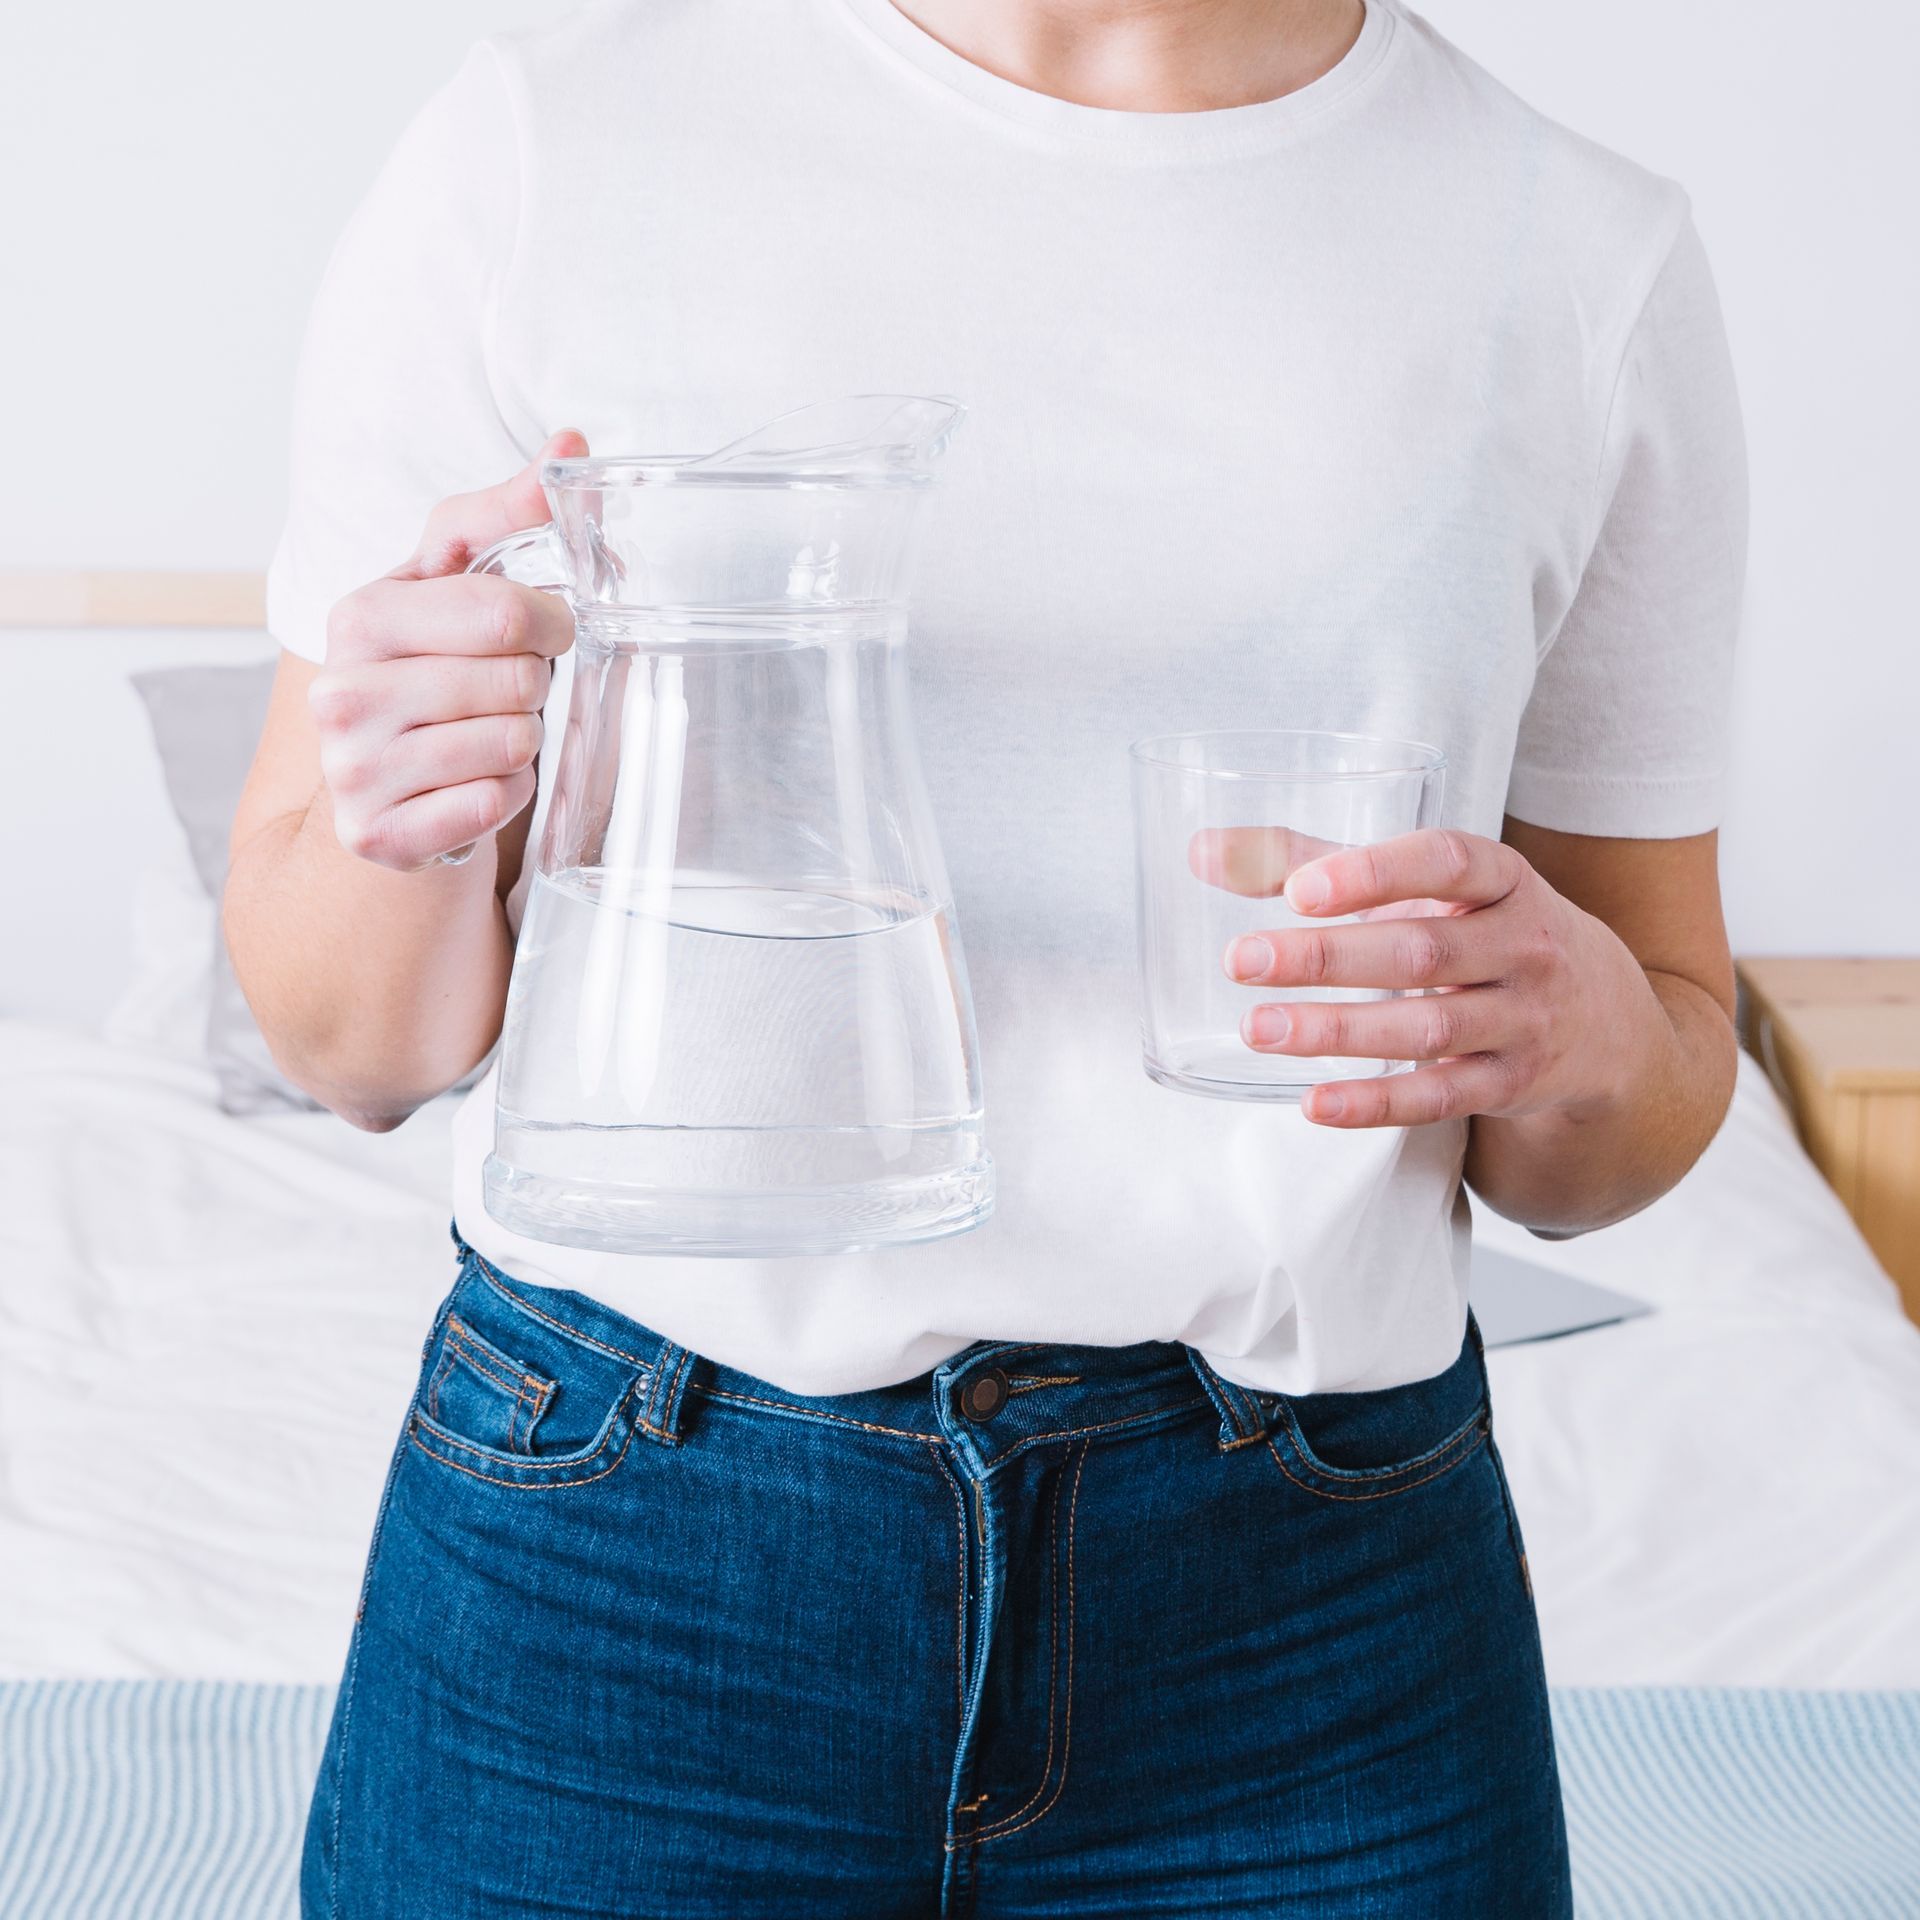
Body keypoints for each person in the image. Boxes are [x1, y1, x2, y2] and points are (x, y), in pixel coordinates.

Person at [228, 0, 1746, 1912]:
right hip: (620, 1563)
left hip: (1318, 1619)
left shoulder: (1575, 248)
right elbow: (351, 1046)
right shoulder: (546, 147)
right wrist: (420, 805)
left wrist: (1582, 1028)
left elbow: (1636, 1104)